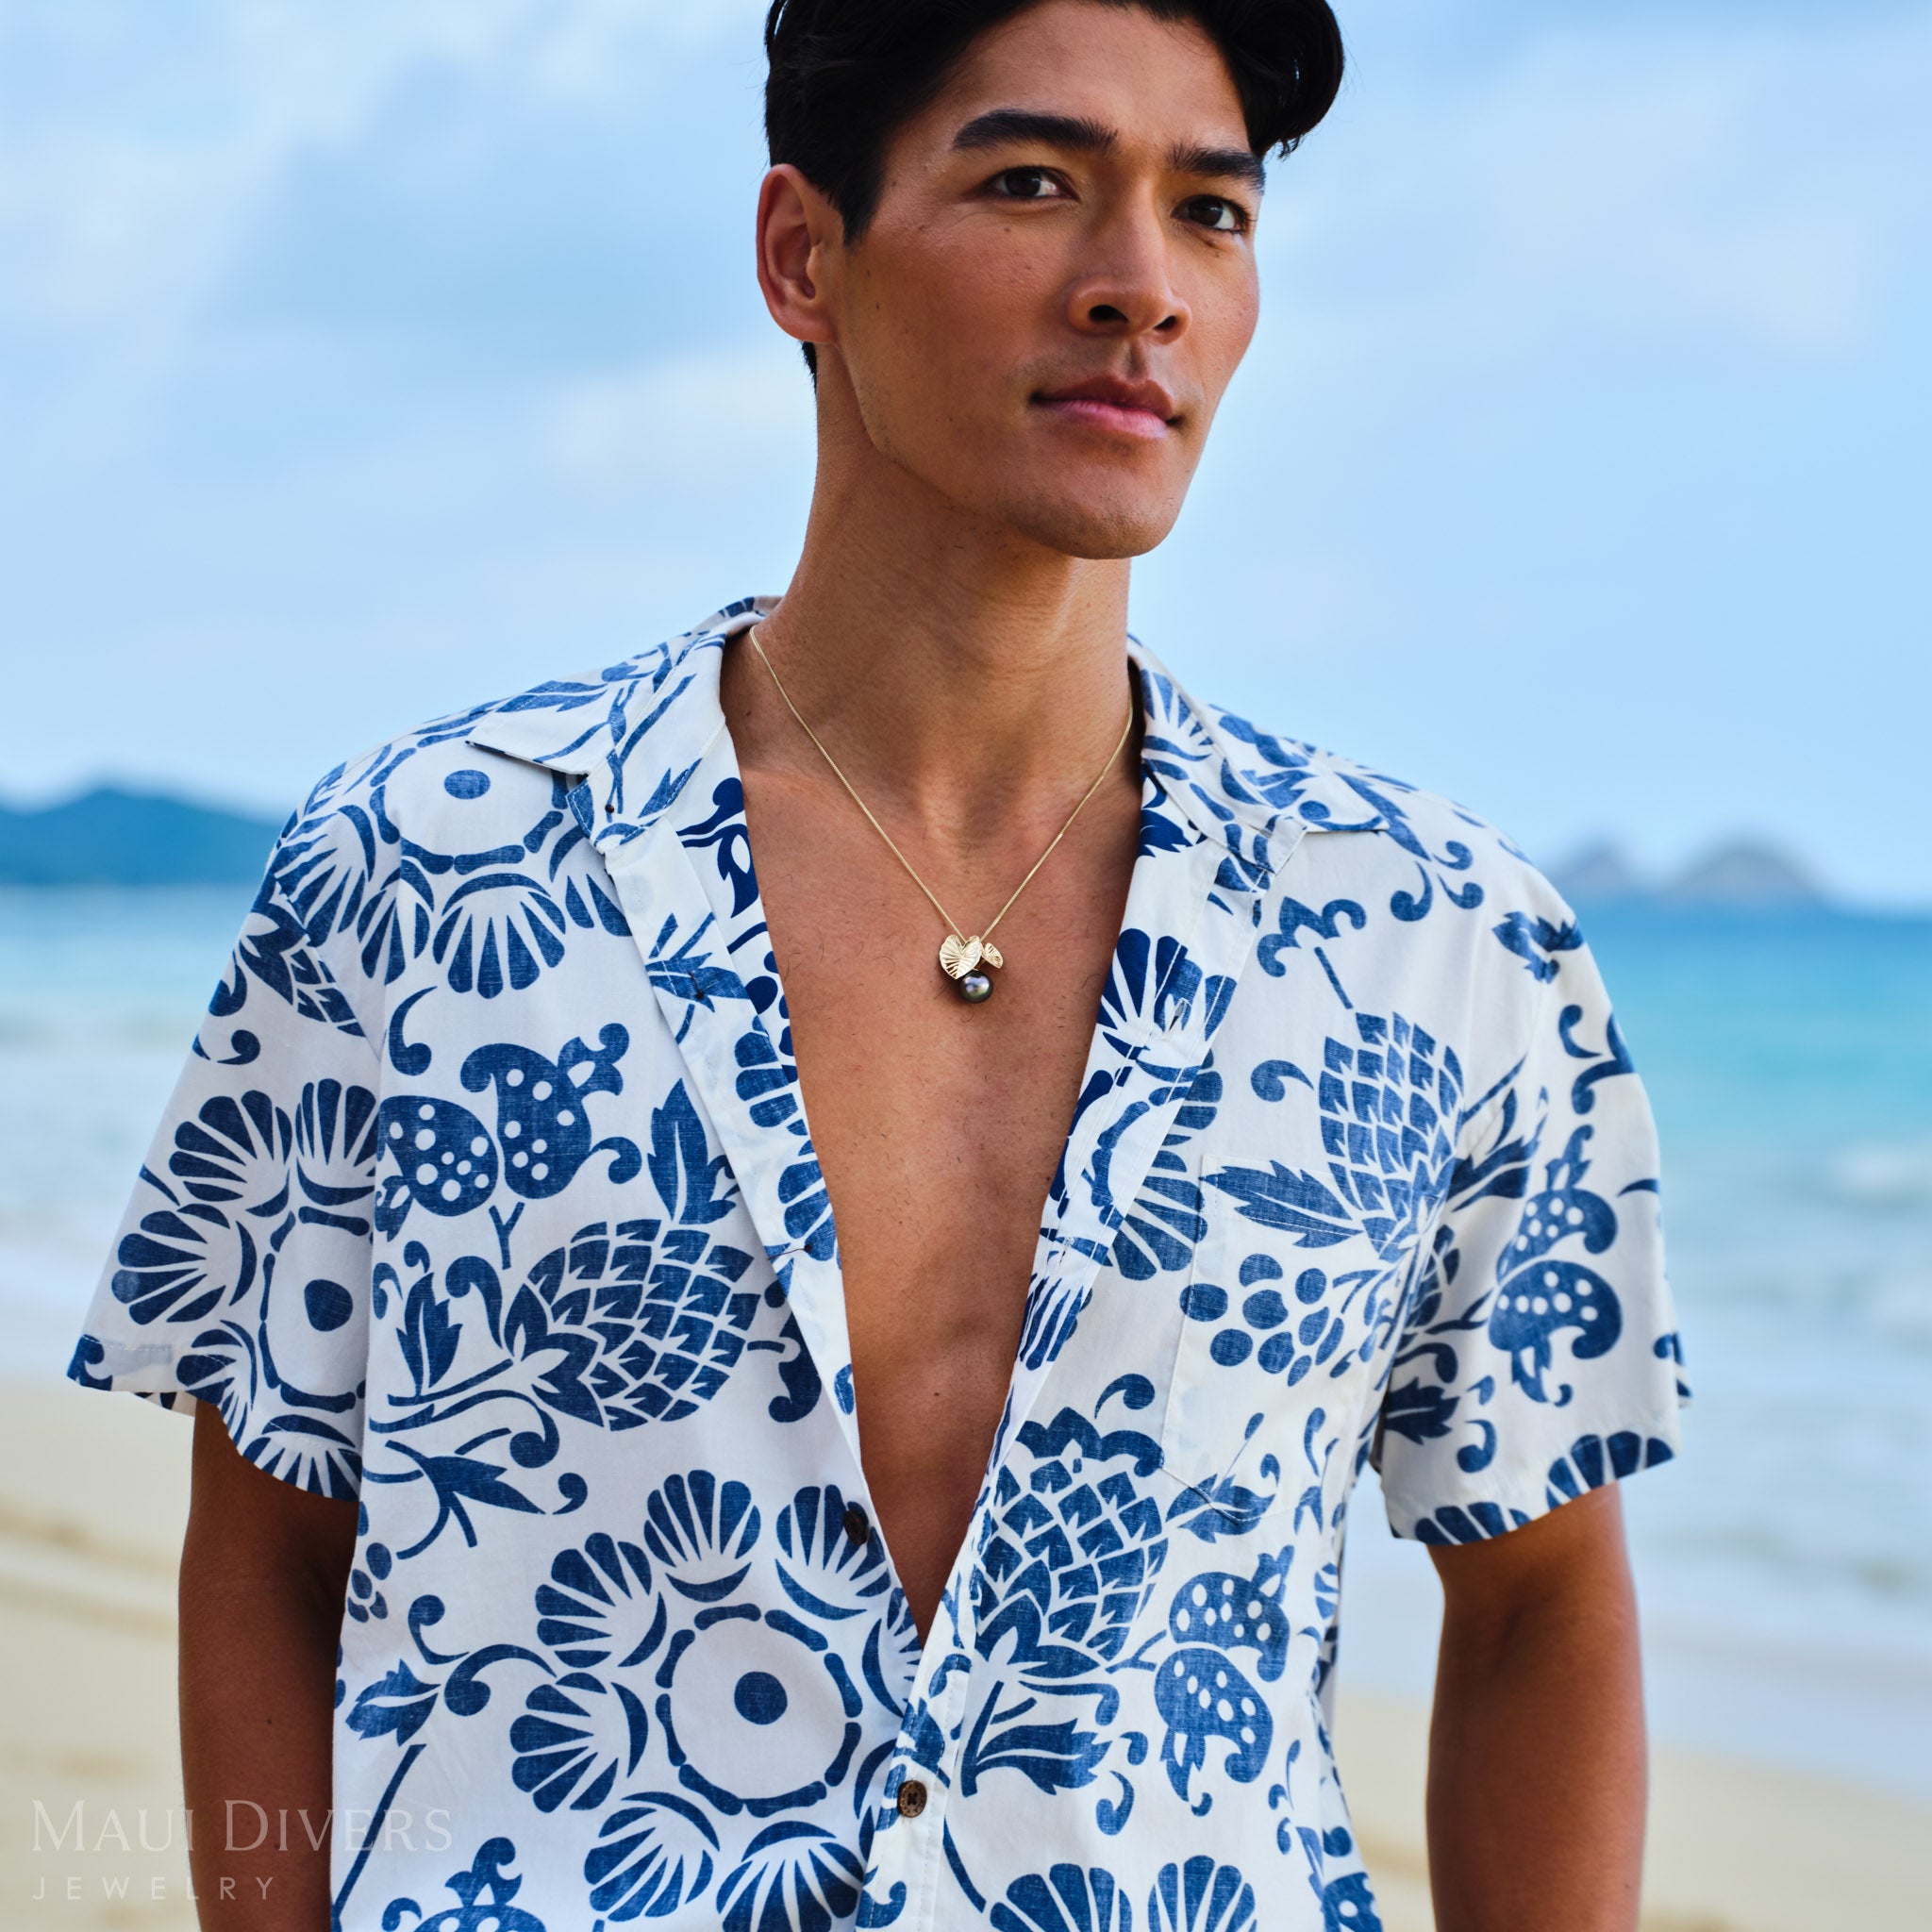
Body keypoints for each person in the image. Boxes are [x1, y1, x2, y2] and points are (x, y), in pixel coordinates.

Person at [69, 2, 1688, 1926]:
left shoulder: (1438, 943)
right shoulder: (422, 873)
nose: (1142, 286)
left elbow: (1539, 1596)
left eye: (1211, 212)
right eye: (1034, 184)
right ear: (801, 257)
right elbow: (267, 1548)